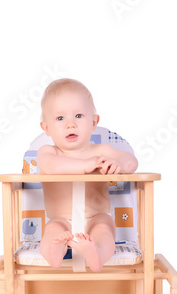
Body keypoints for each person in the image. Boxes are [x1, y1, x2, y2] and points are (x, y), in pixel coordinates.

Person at [37, 78, 138, 272]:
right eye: (60, 118)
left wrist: (119, 164)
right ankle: (54, 253)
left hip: (96, 216)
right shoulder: (49, 152)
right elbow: (50, 166)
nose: (70, 124)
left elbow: (130, 161)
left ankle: (97, 252)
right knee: (52, 232)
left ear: (94, 122)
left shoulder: (101, 151)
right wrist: (85, 165)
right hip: (61, 219)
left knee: (105, 229)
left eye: (79, 115)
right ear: (46, 128)